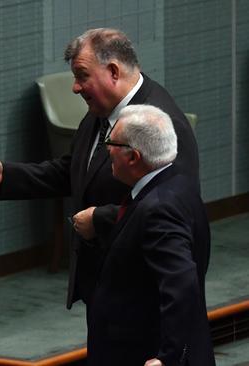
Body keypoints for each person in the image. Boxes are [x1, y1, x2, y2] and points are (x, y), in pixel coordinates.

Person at [0, 28, 199, 310]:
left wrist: (100, 220)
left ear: (114, 71)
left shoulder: (161, 123)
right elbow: (76, 170)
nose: (75, 87)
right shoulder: (104, 111)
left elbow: (176, 208)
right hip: (106, 285)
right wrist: (7, 174)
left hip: (142, 291)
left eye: (82, 76)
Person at [87, 104, 213, 365]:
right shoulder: (177, 182)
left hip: (142, 352)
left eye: (112, 142)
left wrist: (167, 356)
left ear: (133, 157)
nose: (107, 149)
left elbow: (181, 282)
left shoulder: (159, 209)